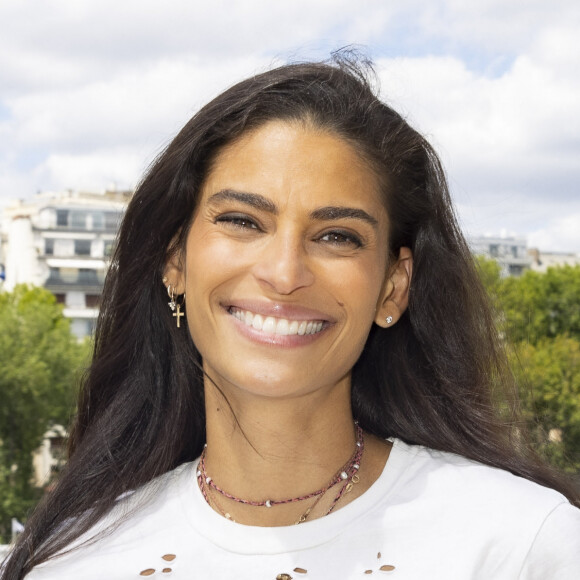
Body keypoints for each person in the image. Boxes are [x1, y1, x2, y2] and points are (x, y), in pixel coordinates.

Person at [3, 52, 579, 580]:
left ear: (392, 287)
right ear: (174, 259)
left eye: (336, 236)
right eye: (243, 221)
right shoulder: (76, 563)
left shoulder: (522, 545)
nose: (284, 272)